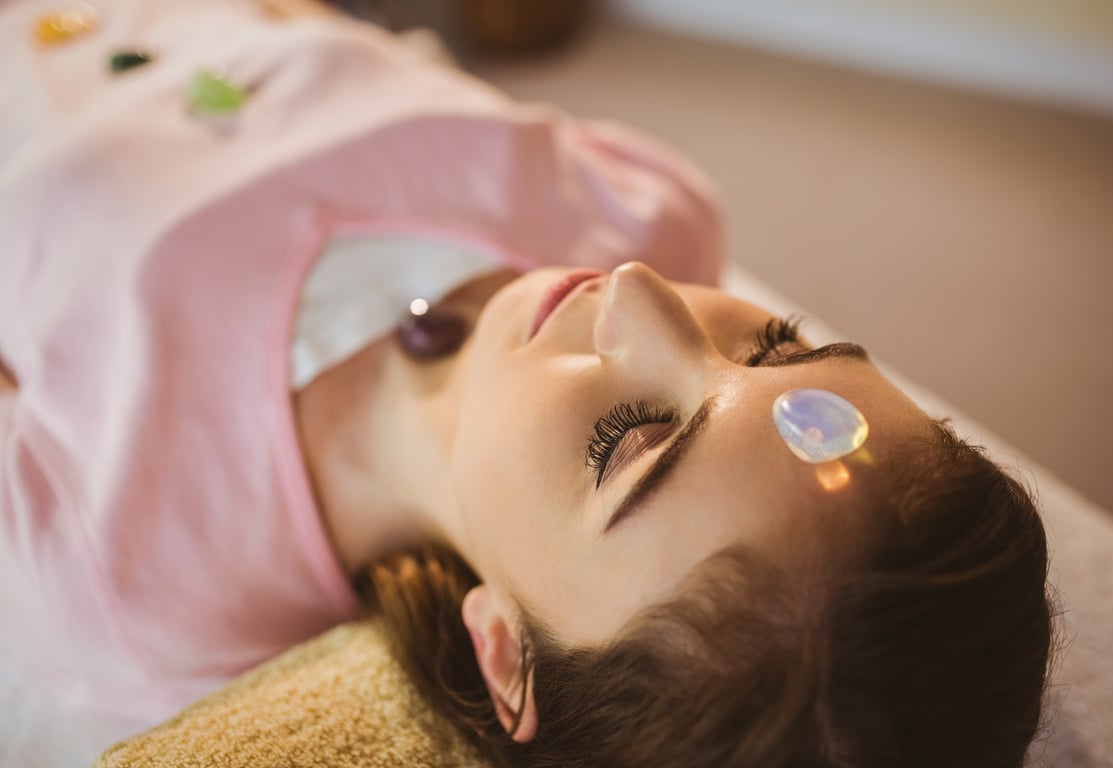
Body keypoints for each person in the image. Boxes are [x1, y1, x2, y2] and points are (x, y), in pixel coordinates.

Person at [0, 1, 1054, 766]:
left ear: (507, 656)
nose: (642, 295)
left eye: (630, 441)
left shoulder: (136, 575)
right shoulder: (648, 211)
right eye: (778, 344)